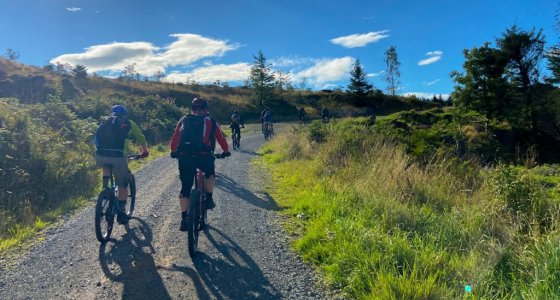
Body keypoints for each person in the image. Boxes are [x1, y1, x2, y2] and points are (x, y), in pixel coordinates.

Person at [169, 97, 231, 231]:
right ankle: (208, 198)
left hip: (185, 157)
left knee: (185, 187)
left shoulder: (183, 120)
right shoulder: (210, 121)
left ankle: (184, 218)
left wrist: (174, 151)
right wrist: (225, 151)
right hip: (204, 156)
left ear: (192, 109)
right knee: (209, 174)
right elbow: (221, 138)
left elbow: (174, 140)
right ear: (206, 109)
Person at [95, 104, 149, 224]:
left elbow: (96, 138)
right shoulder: (128, 122)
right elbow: (140, 137)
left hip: (100, 154)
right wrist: (145, 150)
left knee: (106, 165)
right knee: (122, 185)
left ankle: (105, 189)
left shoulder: (104, 121)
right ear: (125, 114)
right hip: (118, 156)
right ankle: (121, 213)